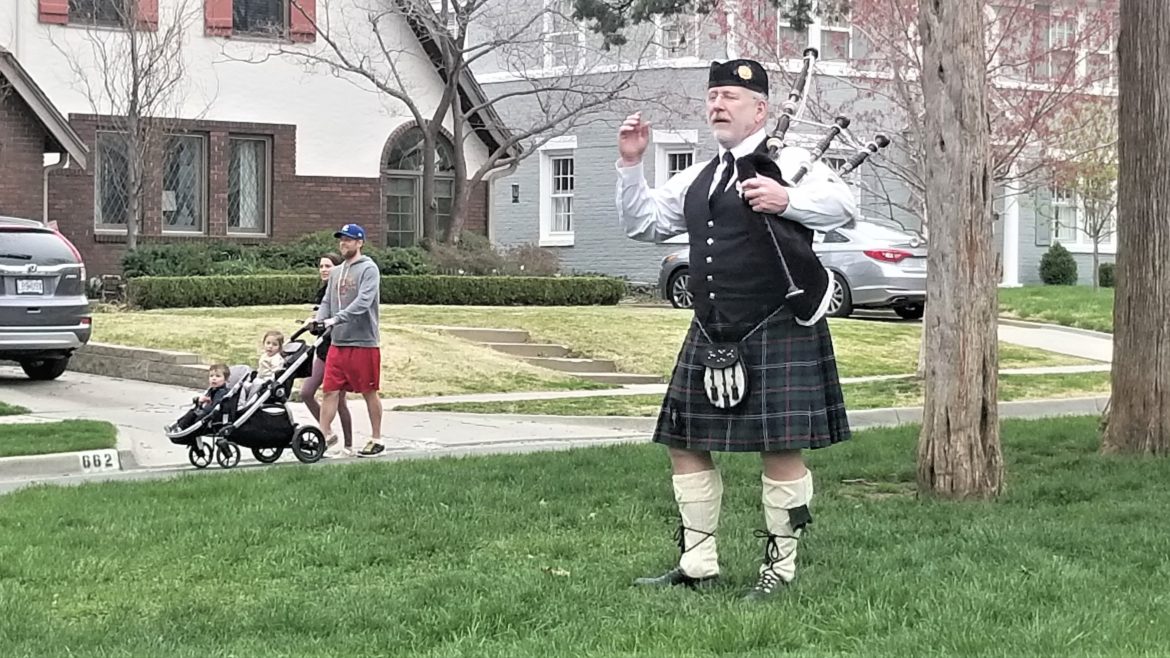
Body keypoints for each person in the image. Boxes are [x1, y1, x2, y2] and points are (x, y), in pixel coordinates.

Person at [614, 59, 858, 600]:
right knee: (683, 442)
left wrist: (787, 199)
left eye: (729, 97)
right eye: (713, 96)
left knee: (781, 447)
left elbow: (845, 207)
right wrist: (631, 166)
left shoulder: (790, 161)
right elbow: (644, 224)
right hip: (713, 327)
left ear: (760, 109)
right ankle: (698, 563)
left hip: (778, 322)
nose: (717, 106)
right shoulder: (703, 175)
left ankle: (781, 567)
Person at [312, 223, 385, 458]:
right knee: (330, 391)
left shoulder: (368, 269)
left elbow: (363, 302)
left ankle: (376, 438)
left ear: (360, 242)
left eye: (349, 240)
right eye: (342, 240)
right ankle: (324, 434)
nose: (344, 243)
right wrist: (319, 320)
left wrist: (336, 320)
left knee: (368, 391)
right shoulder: (335, 273)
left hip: (363, 342)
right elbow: (327, 302)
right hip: (338, 343)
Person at [301, 252, 354, 455]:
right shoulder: (323, 291)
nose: (324, 269)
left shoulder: (342, 293)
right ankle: (327, 432)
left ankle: (349, 445)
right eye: (321, 266)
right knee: (307, 392)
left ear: (338, 269)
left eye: (328, 266)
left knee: (339, 399)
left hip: (339, 348)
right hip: (323, 350)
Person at [171, 363, 231, 431]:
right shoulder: (212, 390)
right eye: (211, 376)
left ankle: (182, 427)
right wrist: (199, 401)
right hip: (206, 413)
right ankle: (179, 426)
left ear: (225, 380)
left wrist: (207, 403)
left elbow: (215, 406)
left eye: (218, 376)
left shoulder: (222, 392)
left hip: (213, 417)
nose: (214, 378)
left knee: (197, 415)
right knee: (192, 412)